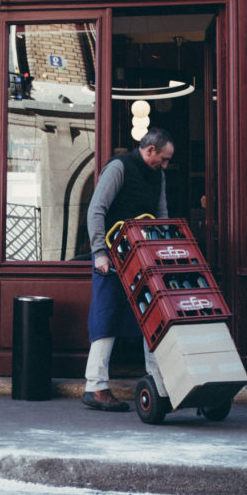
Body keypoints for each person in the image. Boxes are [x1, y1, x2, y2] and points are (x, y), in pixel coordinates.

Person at [82, 127, 174, 411]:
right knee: (106, 317)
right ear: (150, 150)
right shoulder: (119, 167)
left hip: (143, 255)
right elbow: (96, 210)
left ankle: (158, 384)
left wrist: (162, 250)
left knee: (152, 317)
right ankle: (95, 387)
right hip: (111, 256)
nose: (165, 165)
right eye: (164, 158)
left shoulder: (158, 175)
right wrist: (99, 252)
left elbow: (161, 214)